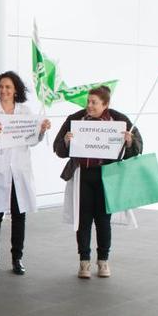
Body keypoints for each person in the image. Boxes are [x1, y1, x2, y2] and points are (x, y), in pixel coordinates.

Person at [53, 85, 142, 278]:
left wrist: (128, 142)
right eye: (88, 102)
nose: (90, 106)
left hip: (106, 177)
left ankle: (103, 262)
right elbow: (58, 148)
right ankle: (84, 262)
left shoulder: (119, 120)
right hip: (83, 176)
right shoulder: (75, 119)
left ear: (105, 104)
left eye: (94, 102)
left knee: (103, 220)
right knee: (83, 220)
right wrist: (67, 141)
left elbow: (136, 149)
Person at [0, 71, 51, 275]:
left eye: (8, 87)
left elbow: (32, 139)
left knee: (19, 215)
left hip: (19, 170)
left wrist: (42, 130)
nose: (4, 90)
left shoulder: (25, 111)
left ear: (15, 90)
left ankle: (17, 258)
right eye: (1, 87)